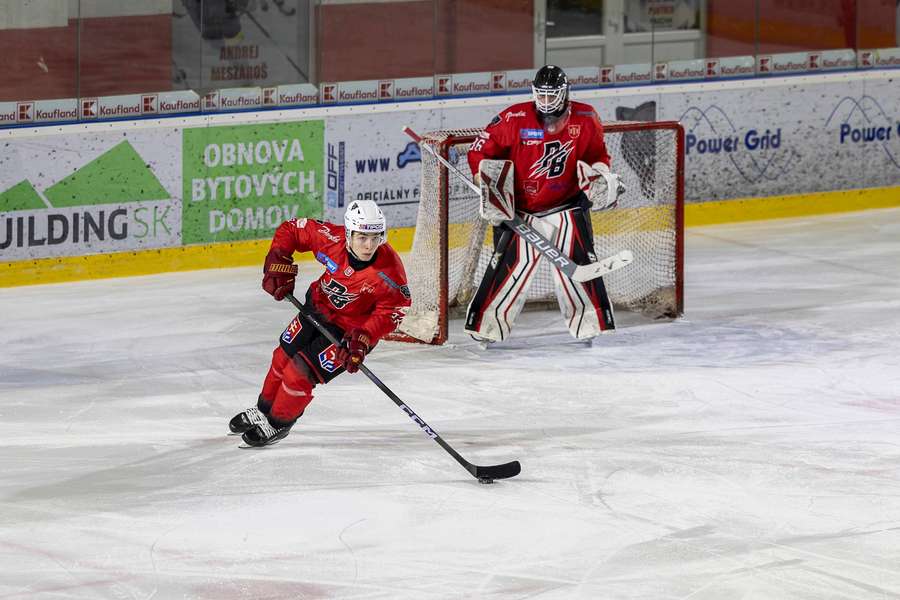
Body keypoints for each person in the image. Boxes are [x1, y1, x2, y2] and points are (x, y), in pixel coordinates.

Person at [229, 200, 411, 447]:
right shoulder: (330, 238)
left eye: (375, 237)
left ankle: (278, 422)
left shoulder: (389, 271)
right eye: (362, 237)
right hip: (316, 309)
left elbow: (393, 310)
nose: (369, 245)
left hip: (349, 333)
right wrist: (277, 257)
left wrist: (364, 337)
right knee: (281, 357)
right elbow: (292, 229)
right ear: (348, 233)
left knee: (299, 373)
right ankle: (263, 410)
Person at [464, 64, 619, 343]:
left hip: (568, 205)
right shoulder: (514, 117)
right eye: (541, 95)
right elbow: (479, 150)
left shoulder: (586, 117)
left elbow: (598, 154)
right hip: (520, 211)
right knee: (509, 269)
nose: (545, 102)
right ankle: (487, 327)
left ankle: (588, 326)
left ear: (565, 93)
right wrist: (485, 182)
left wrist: (600, 174)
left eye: (552, 96)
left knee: (579, 265)